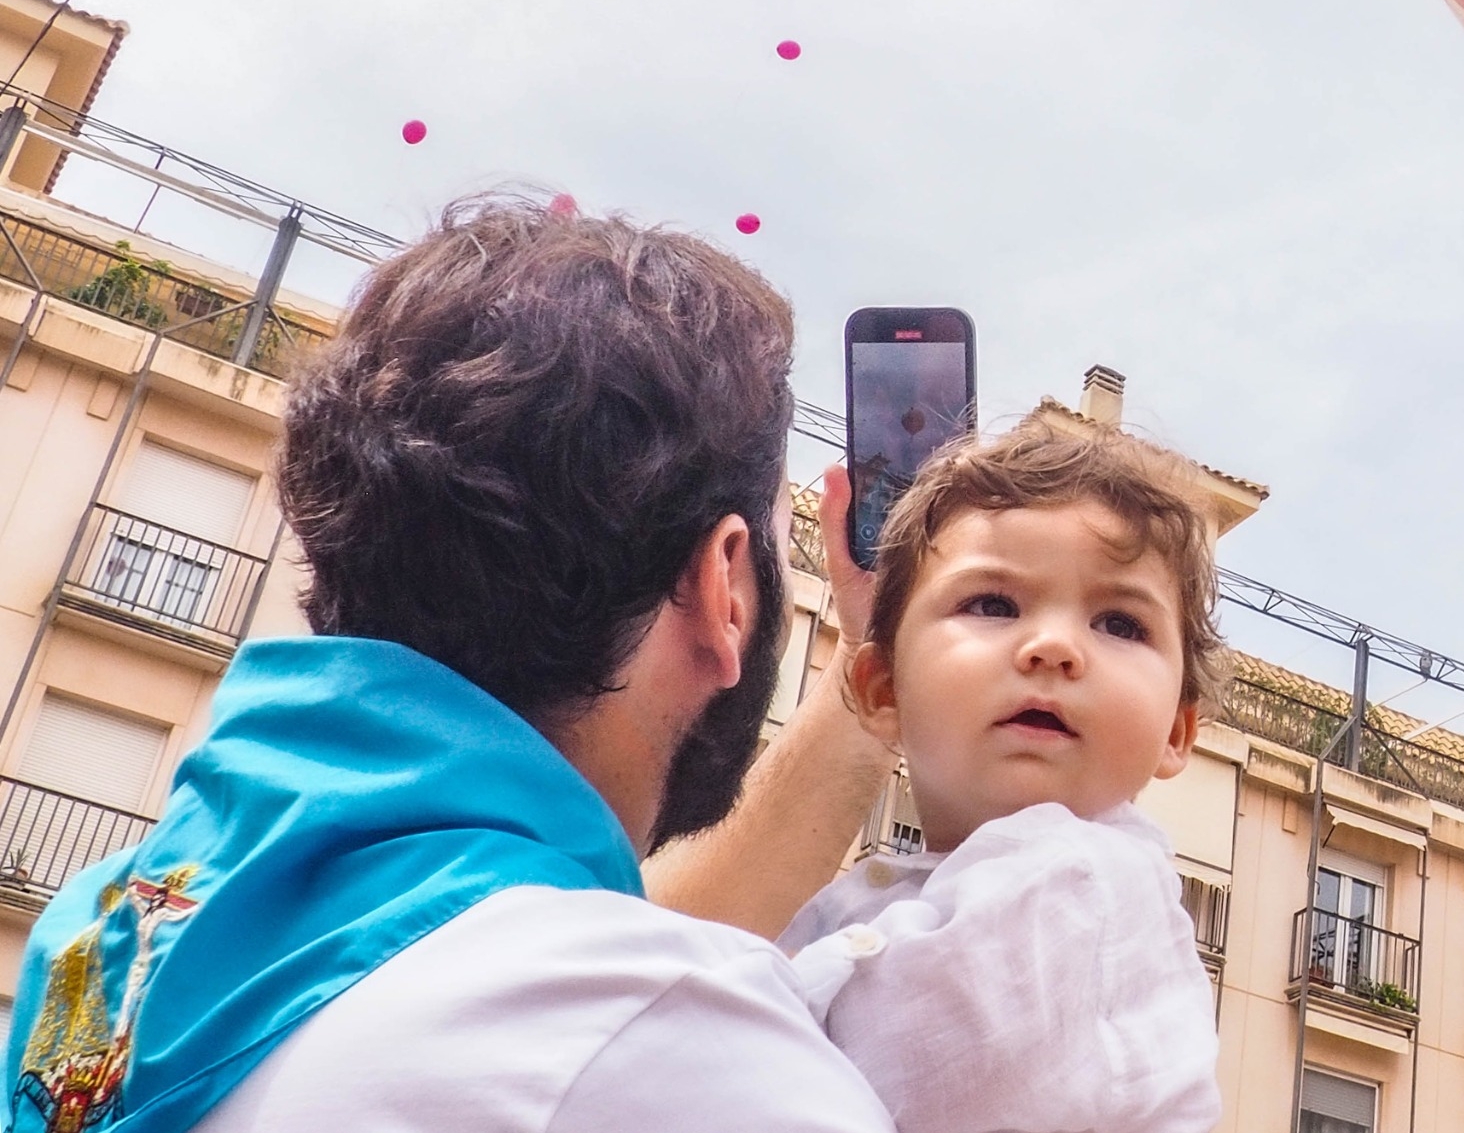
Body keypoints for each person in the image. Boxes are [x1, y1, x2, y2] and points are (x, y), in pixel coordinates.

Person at [5, 196, 901, 1133]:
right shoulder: (662, 1041)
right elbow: (606, 1004)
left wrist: (875, 676)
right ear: (725, 584)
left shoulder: (105, 935)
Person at [777, 419, 1225, 1133]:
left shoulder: (1081, 879)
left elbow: (886, 1063)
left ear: (1176, 730)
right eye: (993, 604)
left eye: (1119, 623)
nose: (1054, 647)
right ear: (883, 687)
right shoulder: (937, 887)